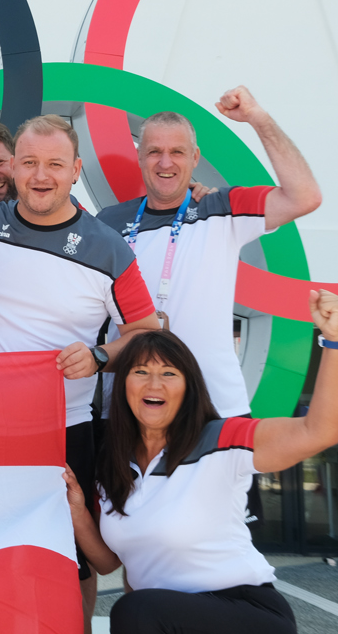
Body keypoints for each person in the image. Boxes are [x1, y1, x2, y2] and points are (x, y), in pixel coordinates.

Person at [0, 114, 160, 634]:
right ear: (12, 167)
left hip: (63, 433)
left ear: (74, 171)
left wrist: (100, 355)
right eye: (29, 163)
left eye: (53, 165)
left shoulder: (110, 248)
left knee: (69, 562)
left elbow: (146, 334)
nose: (40, 176)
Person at [65, 291, 338, 634]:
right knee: (140, 612)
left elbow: (320, 431)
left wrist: (335, 341)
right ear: (124, 387)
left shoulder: (222, 440)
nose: (154, 385)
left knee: (136, 611)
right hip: (167, 623)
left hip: (247, 617)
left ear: (188, 387)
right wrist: (76, 509)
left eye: (169, 373)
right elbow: (109, 561)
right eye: (141, 372)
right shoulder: (114, 464)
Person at [94, 86, 321, 419]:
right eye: (155, 151)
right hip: (129, 411)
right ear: (140, 156)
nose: (166, 162)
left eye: (178, 152)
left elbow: (304, 197)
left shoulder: (220, 208)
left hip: (213, 407)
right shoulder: (109, 221)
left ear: (196, 157)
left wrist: (258, 118)